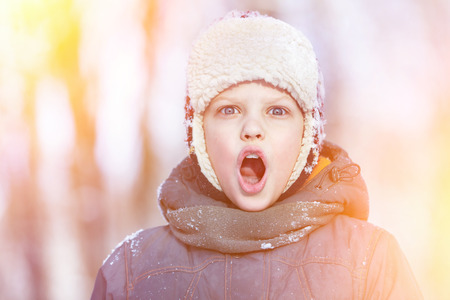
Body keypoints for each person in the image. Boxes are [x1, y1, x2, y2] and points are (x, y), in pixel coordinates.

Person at [91, 10, 422, 299]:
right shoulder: (132, 273)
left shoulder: (369, 261)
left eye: (277, 111)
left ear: (307, 135)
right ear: (200, 135)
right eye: (229, 109)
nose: (252, 127)